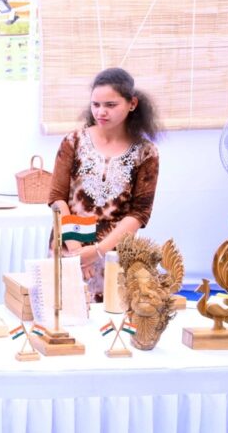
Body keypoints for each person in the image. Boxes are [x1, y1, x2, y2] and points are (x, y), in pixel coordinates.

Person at [48, 67, 161, 287]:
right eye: (96, 104)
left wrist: (98, 251)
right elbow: (57, 198)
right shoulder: (73, 142)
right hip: (68, 245)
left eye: (110, 105)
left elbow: (139, 213)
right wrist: (77, 251)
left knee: (111, 308)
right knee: (63, 305)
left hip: (114, 255)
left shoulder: (146, 153)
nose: (101, 112)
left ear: (132, 104)